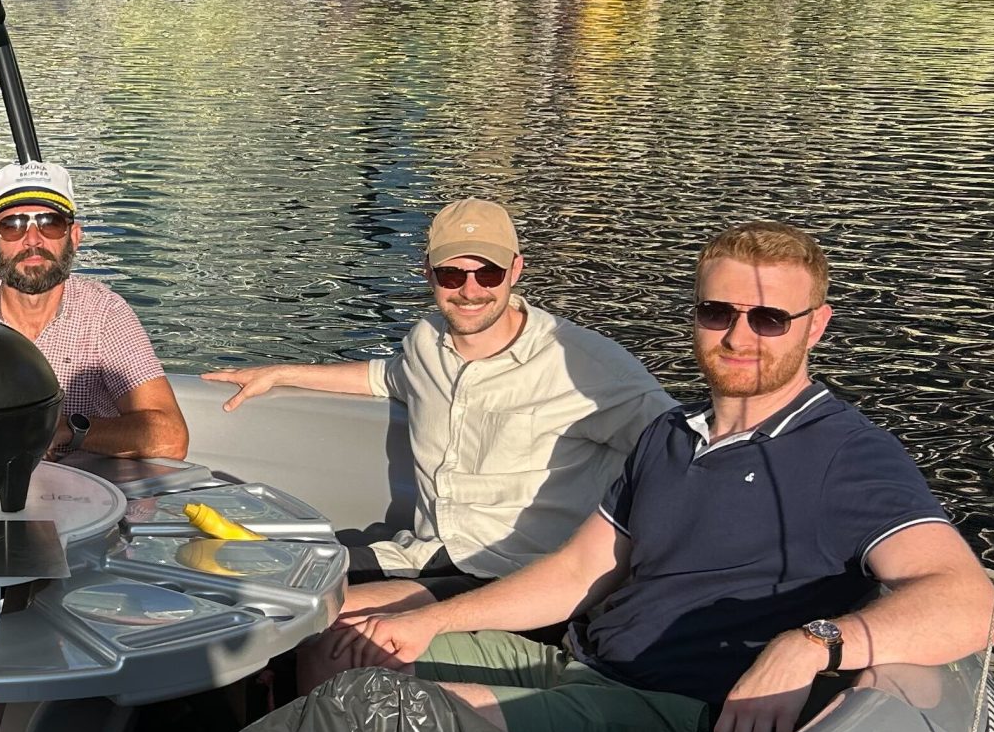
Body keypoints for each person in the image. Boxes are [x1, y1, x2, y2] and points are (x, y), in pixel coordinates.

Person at [327, 222, 994, 732]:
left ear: (816, 325)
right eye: (718, 312)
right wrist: (426, 622)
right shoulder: (671, 433)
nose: (738, 335)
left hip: (677, 719)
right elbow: (578, 572)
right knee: (341, 646)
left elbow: (975, 608)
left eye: (769, 318)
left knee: (375, 712)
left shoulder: (846, 455)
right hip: (581, 667)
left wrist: (810, 644)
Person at [205, 198, 672, 634]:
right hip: (422, 555)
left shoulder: (587, 367)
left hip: (515, 578)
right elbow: (386, 377)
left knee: (313, 615)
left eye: (488, 273)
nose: (470, 290)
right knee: (252, 574)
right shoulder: (425, 343)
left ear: (515, 270)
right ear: (427, 272)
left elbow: (677, 450)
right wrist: (282, 373)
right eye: (452, 274)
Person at [0, 161, 188, 461]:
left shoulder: (104, 314)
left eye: (50, 224)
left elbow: (171, 437)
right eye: (12, 226)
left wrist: (67, 430)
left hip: (86, 485)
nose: (32, 240)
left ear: (75, 237)